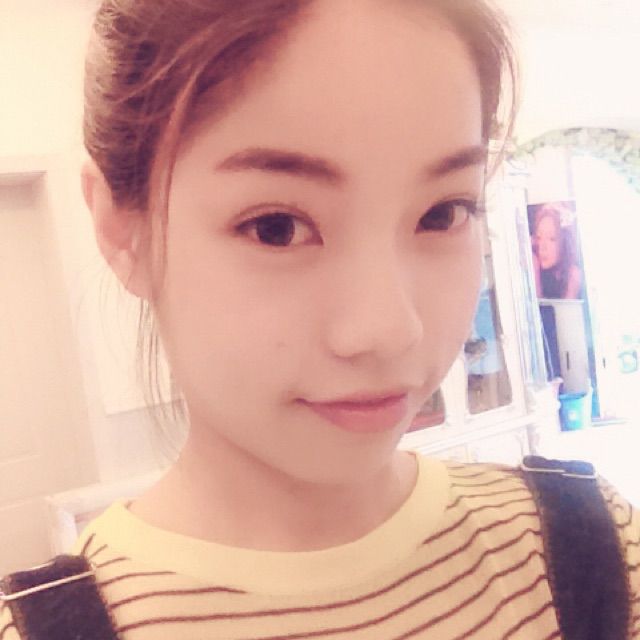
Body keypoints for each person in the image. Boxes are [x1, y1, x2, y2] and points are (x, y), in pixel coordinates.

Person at [1, 0, 638, 638]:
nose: (391, 330)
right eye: (276, 227)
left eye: (443, 213)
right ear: (123, 231)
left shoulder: (588, 552)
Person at [531, 204, 583, 299]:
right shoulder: (535, 267)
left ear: (565, 242)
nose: (542, 247)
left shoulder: (573, 275)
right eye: (539, 237)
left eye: (552, 239)